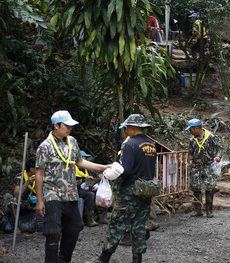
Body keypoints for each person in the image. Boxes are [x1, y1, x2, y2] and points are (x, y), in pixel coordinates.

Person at [35, 110, 110, 263]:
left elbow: (80, 162)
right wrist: (39, 200)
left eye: (71, 126)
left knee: (76, 226)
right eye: (66, 125)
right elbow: (39, 174)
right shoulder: (45, 146)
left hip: (70, 194)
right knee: (53, 231)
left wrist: (102, 167)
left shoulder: (72, 142)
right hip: (52, 194)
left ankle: (63, 258)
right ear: (56, 125)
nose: (69, 128)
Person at [88, 114, 157, 263]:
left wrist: (116, 178)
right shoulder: (151, 145)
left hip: (130, 191)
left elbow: (126, 170)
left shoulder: (130, 144)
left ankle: (103, 259)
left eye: (125, 128)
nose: (125, 131)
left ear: (132, 127)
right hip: (146, 191)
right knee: (139, 225)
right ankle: (137, 260)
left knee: (116, 224)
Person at [185, 119, 222, 218]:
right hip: (196, 167)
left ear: (196, 128)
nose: (190, 132)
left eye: (191, 129)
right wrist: (190, 161)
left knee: (209, 188)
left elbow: (219, 149)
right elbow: (191, 153)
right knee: (196, 188)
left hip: (208, 165)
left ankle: (209, 211)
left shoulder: (210, 137)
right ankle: (198, 210)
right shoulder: (192, 140)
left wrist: (218, 157)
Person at [76, 151, 108, 227]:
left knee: (101, 192)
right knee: (90, 195)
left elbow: (95, 177)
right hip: (76, 190)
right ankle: (90, 219)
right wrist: (85, 180)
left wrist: (99, 177)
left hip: (87, 188)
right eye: (84, 159)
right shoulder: (72, 169)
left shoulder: (87, 169)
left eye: (86, 159)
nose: (86, 160)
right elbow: (72, 183)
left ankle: (102, 217)